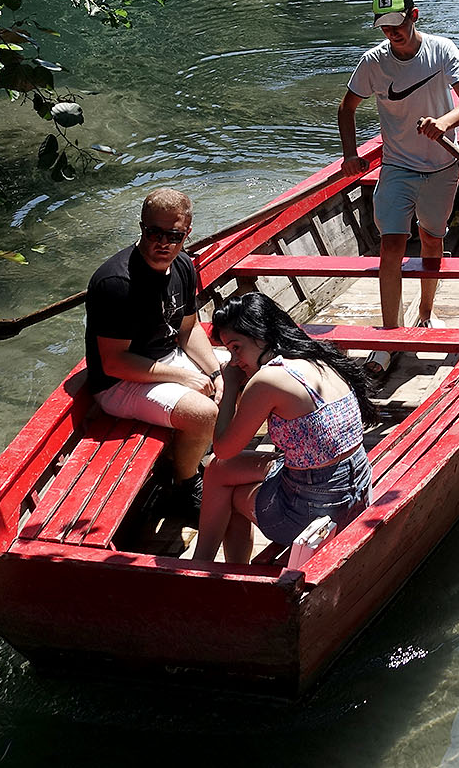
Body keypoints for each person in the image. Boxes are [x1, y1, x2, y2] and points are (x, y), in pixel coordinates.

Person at [337, 0, 459, 372]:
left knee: (433, 239)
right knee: (391, 245)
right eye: (383, 27)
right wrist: (350, 155)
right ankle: (389, 335)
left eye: (397, 25)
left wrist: (444, 123)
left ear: (413, 16)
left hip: (441, 166)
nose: (391, 34)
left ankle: (426, 312)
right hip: (397, 166)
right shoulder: (372, 63)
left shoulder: (442, 50)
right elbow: (347, 108)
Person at [191, 292, 378, 563]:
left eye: (236, 347)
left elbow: (223, 448)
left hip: (315, 510)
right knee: (217, 470)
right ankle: (205, 564)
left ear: (260, 335)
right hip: (356, 485)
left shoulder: (269, 379)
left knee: (227, 492)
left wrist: (229, 386)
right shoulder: (318, 356)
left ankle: (210, 568)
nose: (233, 360)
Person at [82, 188, 222, 485]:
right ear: (142, 227)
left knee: (244, 370)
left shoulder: (183, 265)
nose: (163, 243)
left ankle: (194, 451)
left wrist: (215, 372)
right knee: (204, 413)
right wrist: (183, 378)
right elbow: (114, 364)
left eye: (174, 235)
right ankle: (185, 486)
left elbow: (189, 329)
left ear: (187, 233)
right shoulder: (117, 283)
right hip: (120, 383)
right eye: (154, 233)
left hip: (166, 360)